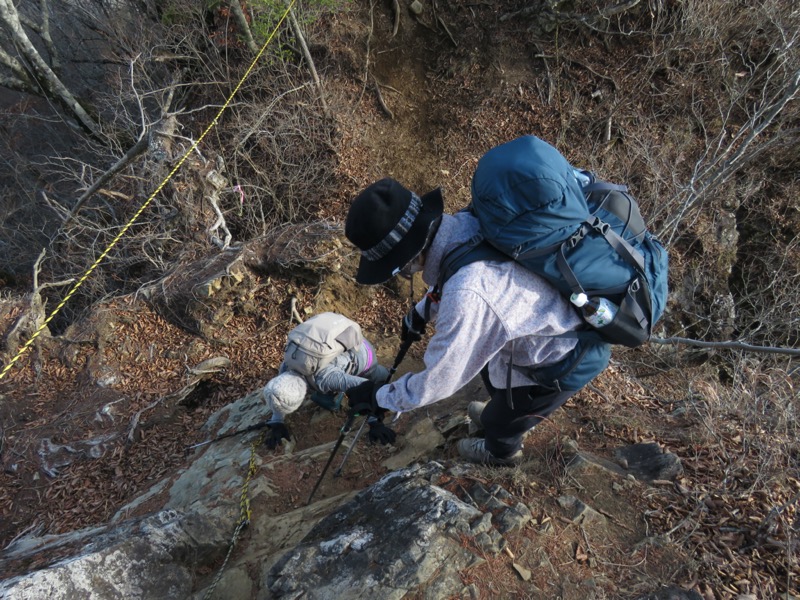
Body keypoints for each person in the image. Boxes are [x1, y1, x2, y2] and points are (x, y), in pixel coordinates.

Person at [343, 177, 611, 466]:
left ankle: (502, 453)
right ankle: (497, 413)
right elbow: (457, 268)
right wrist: (421, 313)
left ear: (406, 258)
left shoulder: (467, 294)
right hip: (540, 329)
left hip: (562, 358)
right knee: (494, 385)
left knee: (502, 423)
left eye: (395, 268)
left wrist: (381, 396)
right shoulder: (466, 223)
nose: (398, 274)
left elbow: (440, 379)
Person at [262, 319, 395, 449]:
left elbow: (367, 388)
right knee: (322, 395)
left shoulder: (325, 379)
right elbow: (278, 394)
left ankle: (385, 375)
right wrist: (277, 420)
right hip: (339, 337)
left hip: (363, 353)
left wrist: (375, 421)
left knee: (377, 377)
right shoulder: (288, 364)